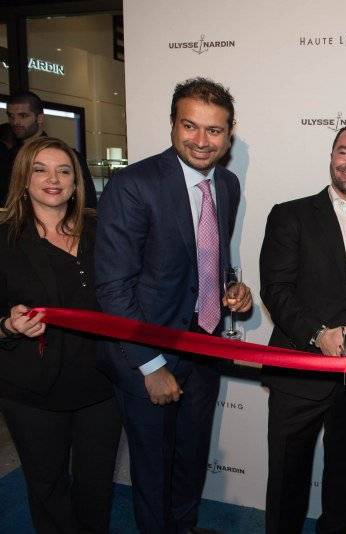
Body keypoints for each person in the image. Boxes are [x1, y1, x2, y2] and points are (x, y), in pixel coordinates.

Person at [94, 77, 252, 533]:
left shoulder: (227, 184)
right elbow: (113, 288)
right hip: (146, 353)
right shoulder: (133, 185)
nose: (201, 140)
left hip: (204, 348)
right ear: (172, 124)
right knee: (152, 466)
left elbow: (208, 257)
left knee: (192, 457)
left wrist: (231, 287)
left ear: (229, 135)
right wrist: (150, 365)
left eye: (214, 130)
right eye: (190, 126)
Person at [260, 121, 346, 533]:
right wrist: (317, 334)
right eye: (344, 151)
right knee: (286, 482)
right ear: (331, 157)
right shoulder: (290, 215)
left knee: (343, 485)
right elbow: (276, 289)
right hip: (298, 374)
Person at [0, 137, 121, 533]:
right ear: (24, 178)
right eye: (40, 170)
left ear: (75, 181)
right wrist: (8, 325)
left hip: (102, 384)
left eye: (63, 171)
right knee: (48, 487)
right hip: (33, 391)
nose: (53, 179)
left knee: (96, 485)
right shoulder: (4, 240)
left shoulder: (102, 230)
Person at [3, 91, 97, 207]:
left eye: (23, 116)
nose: (15, 122)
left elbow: (88, 203)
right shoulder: (8, 157)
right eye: (11, 116)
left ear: (40, 118)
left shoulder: (67, 155)